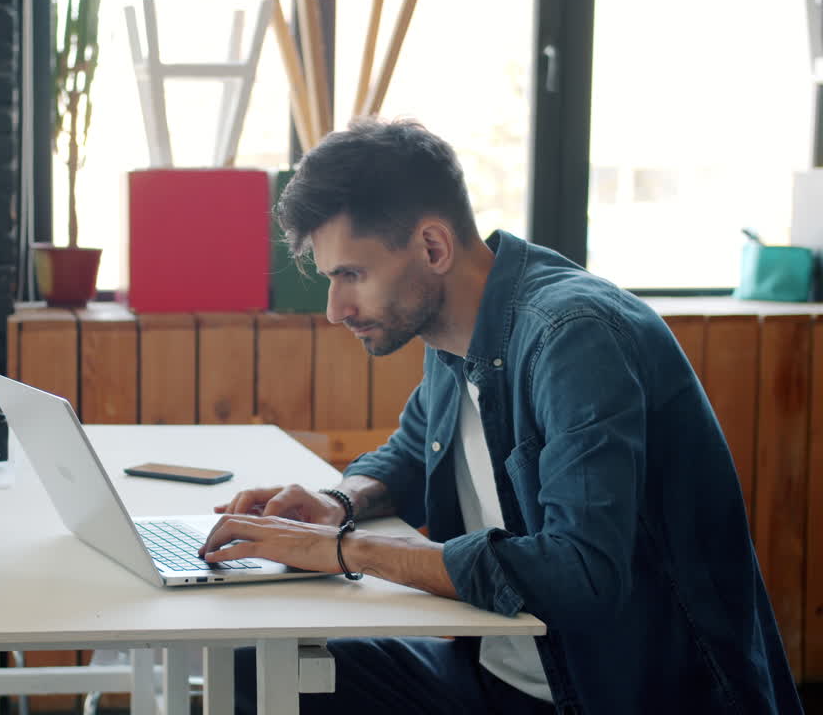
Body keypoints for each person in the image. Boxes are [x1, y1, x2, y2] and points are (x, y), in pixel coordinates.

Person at [198, 119, 802, 714]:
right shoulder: (450, 329)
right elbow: (412, 452)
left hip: (612, 695)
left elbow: (583, 573)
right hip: (494, 675)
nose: (335, 309)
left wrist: (345, 549)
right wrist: (339, 501)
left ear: (433, 247)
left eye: (351, 275)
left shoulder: (574, 338)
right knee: (253, 668)